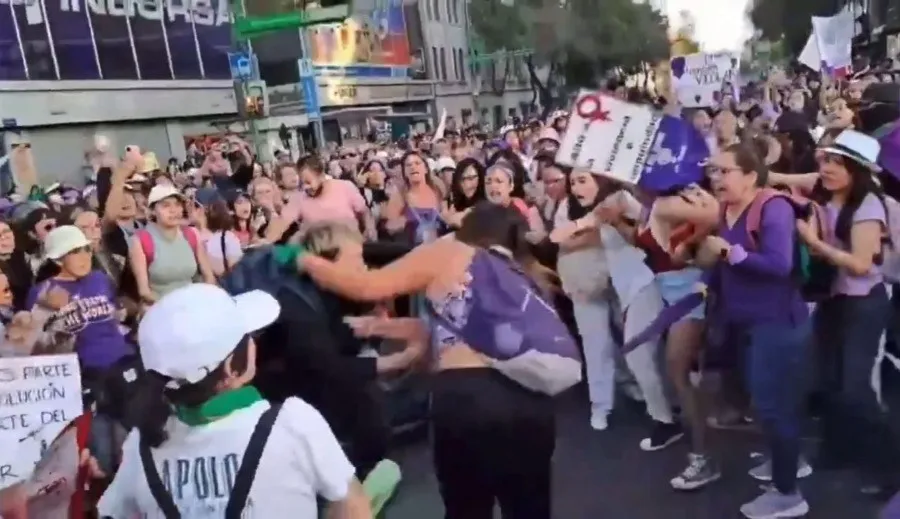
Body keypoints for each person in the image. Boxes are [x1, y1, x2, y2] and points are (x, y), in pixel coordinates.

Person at [301, 202, 557, 519]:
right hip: (529, 408)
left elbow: (368, 286)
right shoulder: (529, 276)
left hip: (466, 407)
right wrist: (386, 329)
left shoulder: (451, 252)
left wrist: (298, 258)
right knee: (529, 507)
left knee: (466, 508)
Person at [97, 284, 373, 519]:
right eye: (248, 337)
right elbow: (352, 506)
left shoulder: (141, 443)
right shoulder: (292, 422)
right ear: (233, 368)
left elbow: (111, 511)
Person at [703, 142, 811, 518]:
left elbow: (779, 265)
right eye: (712, 171)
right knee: (764, 402)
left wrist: (729, 254)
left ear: (751, 175)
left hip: (778, 322)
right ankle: (787, 464)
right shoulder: (725, 209)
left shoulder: (773, 207)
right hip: (746, 320)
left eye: (724, 171)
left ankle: (788, 494)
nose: (715, 178)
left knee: (772, 404)